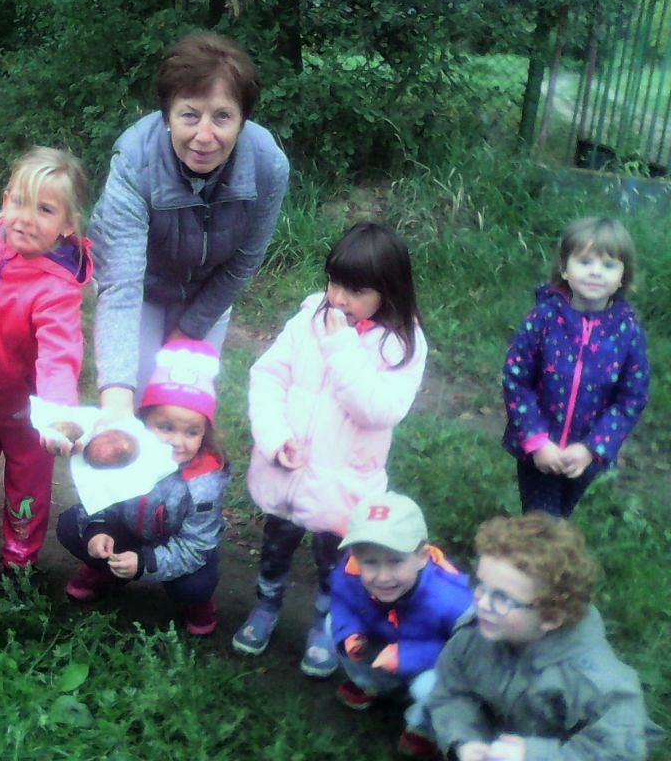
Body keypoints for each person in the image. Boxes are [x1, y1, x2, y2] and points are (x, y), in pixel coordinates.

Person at [232, 222, 428, 678]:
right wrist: (274, 437)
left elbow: (377, 410)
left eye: (355, 291)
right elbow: (268, 376)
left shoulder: (402, 345)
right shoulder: (308, 319)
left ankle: (326, 621)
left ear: (388, 290)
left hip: (342, 482)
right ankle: (266, 605)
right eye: (334, 283)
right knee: (275, 545)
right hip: (288, 470)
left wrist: (341, 345)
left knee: (335, 562)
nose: (338, 298)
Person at [89, 31, 289, 425]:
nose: (204, 136)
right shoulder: (133, 162)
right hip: (141, 290)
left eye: (222, 116)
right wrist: (115, 400)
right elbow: (122, 284)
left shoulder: (269, 166)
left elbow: (243, 262)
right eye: (190, 115)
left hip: (207, 291)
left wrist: (188, 331)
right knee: (138, 396)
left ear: (242, 121)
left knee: (183, 411)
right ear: (167, 116)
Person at [0, 147, 93, 587]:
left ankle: (18, 565)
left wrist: (55, 416)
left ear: (67, 224)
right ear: (5, 201)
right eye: (20, 202)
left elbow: (59, 355)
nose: (26, 218)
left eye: (45, 210)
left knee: (28, 490)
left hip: (28, 415)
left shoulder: (57, 289)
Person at [428, 513, 664, 760]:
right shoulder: (474, 636)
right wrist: (464, 740)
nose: (483, 604)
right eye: (481, 585)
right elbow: (451, 692)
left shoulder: (595, 682)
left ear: (550, 618)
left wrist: (536, 756)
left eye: (502, 598)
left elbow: (618, 751)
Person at [56, 339, 230, 635]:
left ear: (205, 433)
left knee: (195, 584)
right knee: (72, 526)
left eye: (192, 432)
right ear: (143, 420)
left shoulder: (204, 480)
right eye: (166, 427)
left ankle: (197, 601)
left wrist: (146, 562)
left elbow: (196, 545)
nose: (177, 441)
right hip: (128, 532)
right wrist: (98, 530)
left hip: (178, 545)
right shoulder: (123, 450)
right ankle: (107, 571)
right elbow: (97, 498)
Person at [502, 216, 649, 517]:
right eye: (584, 261)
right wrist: (537, 441)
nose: (595, 271)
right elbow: (516, 379)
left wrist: (593, 448)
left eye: (608, 265)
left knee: (560, 514)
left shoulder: (628, 331)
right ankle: (538, 546)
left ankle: (543, 543)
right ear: (565, 269)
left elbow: (631, 398)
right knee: (544, 522)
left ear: (623, 277)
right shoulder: (543, 318)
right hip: (539, 449)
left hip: (586, 453)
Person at [330, 492, 472, 760]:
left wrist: (407, 656)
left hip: (434, 662)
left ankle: (424, 727)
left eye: (396, 561)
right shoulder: (350, 571)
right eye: (370, 562)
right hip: (384, 642)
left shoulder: (452, 599)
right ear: (355, 556)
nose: (383, 576)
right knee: (333, 626)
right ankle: (372, 684)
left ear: (422, 556)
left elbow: (467, 651)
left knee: (430, 688)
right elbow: (341, 601)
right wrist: (350, 632)